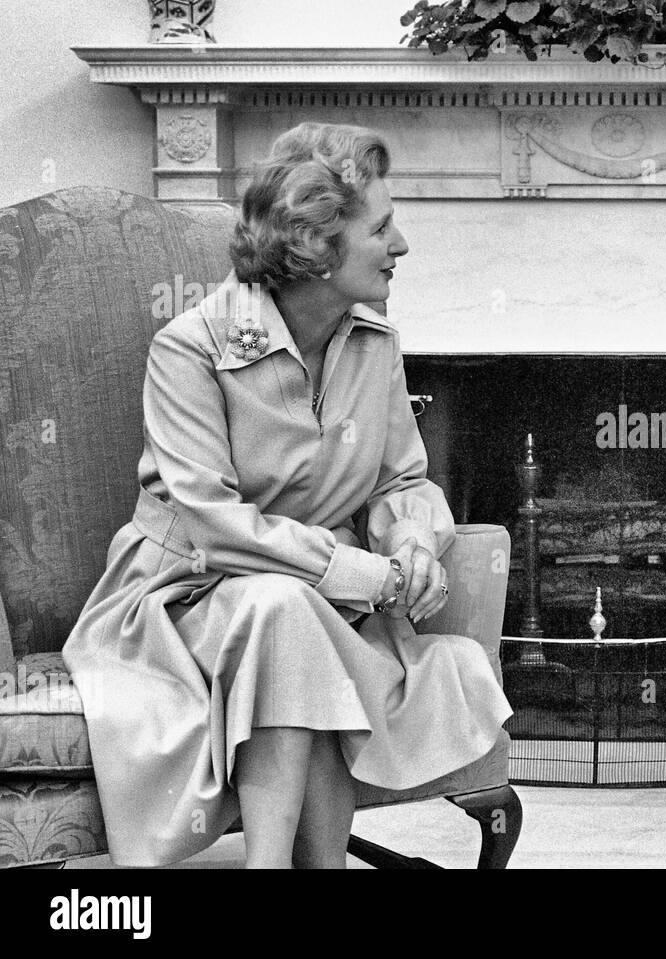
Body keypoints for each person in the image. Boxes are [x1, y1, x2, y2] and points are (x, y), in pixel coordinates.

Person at [62, 122, 512, 868]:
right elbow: (213, 524)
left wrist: (412, 541)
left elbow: (404, 478)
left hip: (318, 611)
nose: (401, 246)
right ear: (318, 246)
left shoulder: (377, 342)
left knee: (289, 613)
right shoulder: (190, 349)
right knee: (280, 607)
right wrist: (363, 571)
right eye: (383, 226)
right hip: (184, 603)